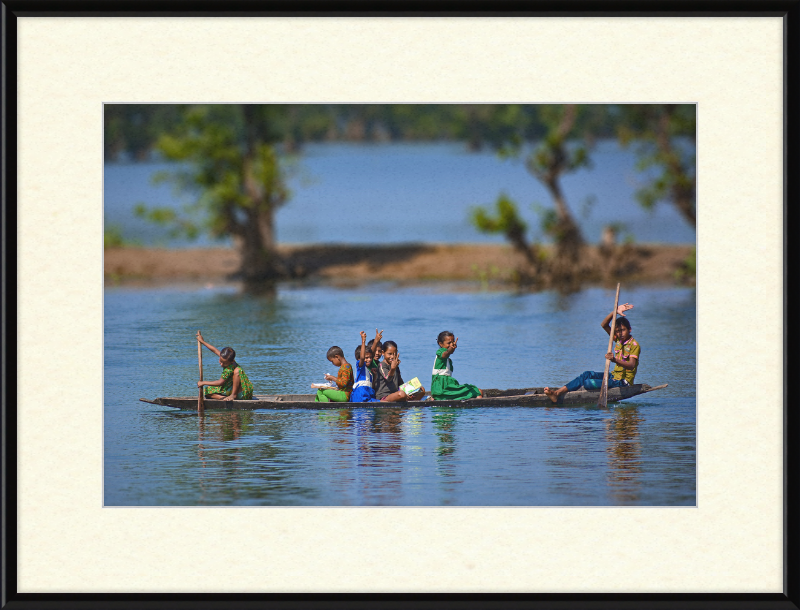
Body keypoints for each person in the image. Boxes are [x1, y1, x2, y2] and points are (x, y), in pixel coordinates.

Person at [543, 303, 640, 403]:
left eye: (623, 330)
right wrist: (614, 311)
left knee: (588, 383)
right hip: (614, 376)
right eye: (618, 331)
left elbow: (631, 365)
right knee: (586, 374)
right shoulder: (618, 340)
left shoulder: (634, 345)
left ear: (630, 329)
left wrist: (614, 359)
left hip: (623, 382)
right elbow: (604, 325)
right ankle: (557, 393)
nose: (620, 333)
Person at [195, 332, 254, 401]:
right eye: (220, 361)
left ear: (232, 361)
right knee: (207, 391)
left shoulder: (229, 369)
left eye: (224, 363)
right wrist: (202, 341)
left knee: (237, 370)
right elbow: (214, 350)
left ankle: (233, 395)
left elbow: (220, 382)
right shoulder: (226, 358)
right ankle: (224, 398)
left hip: (243, 393)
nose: (221, 364)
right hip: (231, 388)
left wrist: (203, 382)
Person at [430, 331, 482, 400]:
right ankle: (481, 410)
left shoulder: (448, 360)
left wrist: (451, 349)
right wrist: (451, 349)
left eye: (453, 342)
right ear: (440, 344)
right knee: (477, 391)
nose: (451, 345)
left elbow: (449, 352)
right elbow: (447, 352)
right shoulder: (440, 353)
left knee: (478, 391)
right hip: (442, 389)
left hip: (446, 389)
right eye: (449, 343)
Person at [350, 330, 382, 403]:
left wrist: (375, 375)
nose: (369, 359)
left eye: (370, 357)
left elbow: (371, 386)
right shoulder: (360, 366)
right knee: (386, 403)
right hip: (360, 396)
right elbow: (362, 358)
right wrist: (363, 341)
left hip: (367, 396)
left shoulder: (369, 372)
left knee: (386, 402)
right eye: (366, 358)